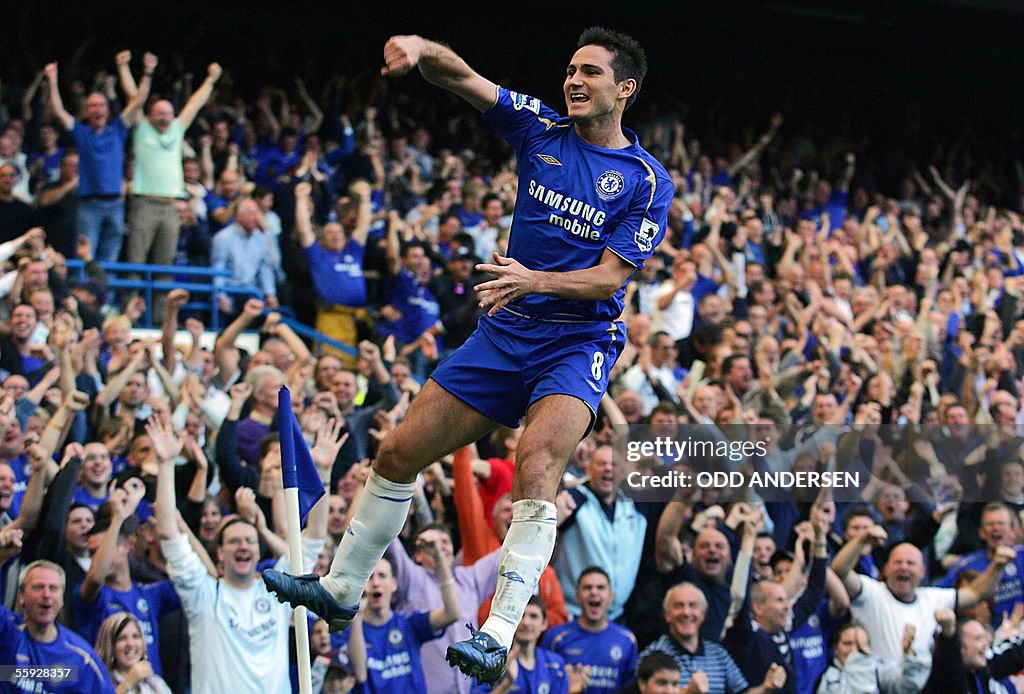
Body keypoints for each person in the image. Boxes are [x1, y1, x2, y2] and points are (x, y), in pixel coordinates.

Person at [263, 26, 673, 688]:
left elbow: (608, 279)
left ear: (623, 89)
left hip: (577, 341)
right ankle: (340, 589)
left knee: (536, 463)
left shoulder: (647, 180)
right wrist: (425, 52)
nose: (573, 80)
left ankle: (497, 633)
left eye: (590, 72)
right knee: (396, 453)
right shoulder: (541, 128)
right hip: (506, 331)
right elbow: (465, 78)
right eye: (570, 68)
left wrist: (534, 280)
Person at [44, 55, 153, 263]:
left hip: (115, 203)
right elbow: (58, 111)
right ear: (86, 111)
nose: (97, 109)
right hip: (89, 203)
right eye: (92, 106)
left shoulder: (117, 129)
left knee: (110, 257)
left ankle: (105, 294)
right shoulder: (81, 132)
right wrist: (52, 80)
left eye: (101, 105)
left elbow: (138, 101)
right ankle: (85, 293)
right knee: (86, 255)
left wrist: (147, 72)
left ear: (107, 109)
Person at [0, 559, 116, 693]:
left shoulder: (79, 658)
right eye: (38, 587)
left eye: (53, 588)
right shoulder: (5, 630)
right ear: (21, 596)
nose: (46, 595)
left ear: (62, 599)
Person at [541, 566, 638, 694]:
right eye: (587, 587)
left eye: (600, 587)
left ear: (611, 597)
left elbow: (630, 687)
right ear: (577, 597)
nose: (594, 592)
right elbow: (543, 684)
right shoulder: (555, 638)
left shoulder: (627, 640)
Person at [93, 611, 172, 694]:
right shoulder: (99, 682)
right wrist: (128, 683)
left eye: (136, 636)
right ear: (110, 645)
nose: (131, 643)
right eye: (122, 638)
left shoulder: (157, 683)